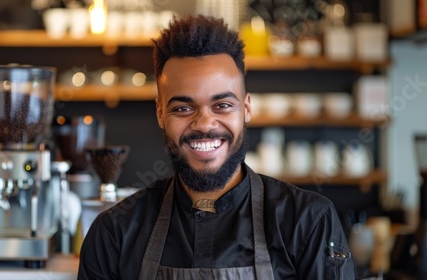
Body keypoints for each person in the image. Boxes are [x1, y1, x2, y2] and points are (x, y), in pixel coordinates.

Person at [78, 15, 356, 279]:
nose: (204, 124)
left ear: (246, 109)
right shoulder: (114, 232)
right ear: (160, 113)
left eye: (222, 105)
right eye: (184, 108)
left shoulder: (308, 222)